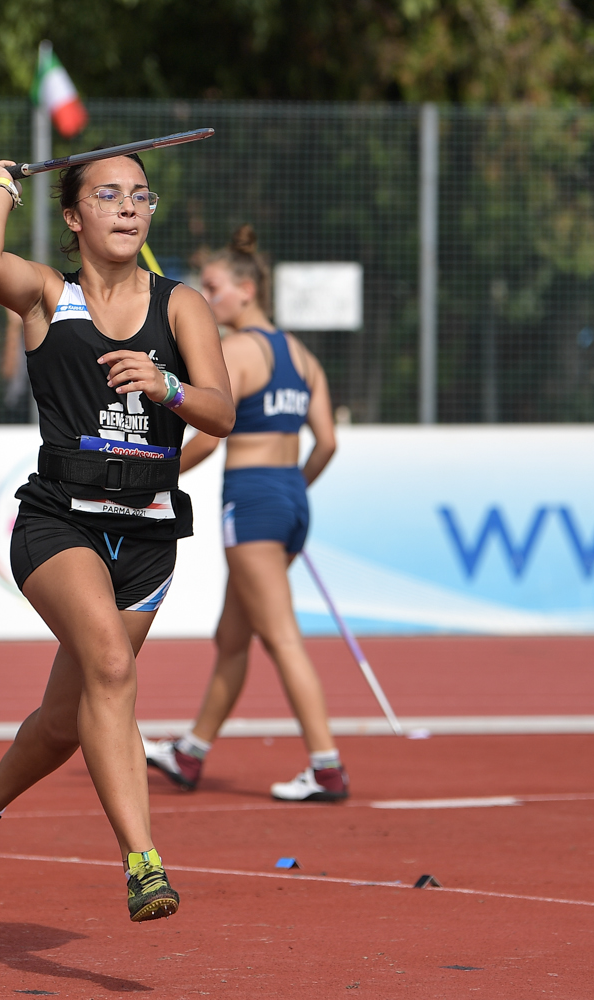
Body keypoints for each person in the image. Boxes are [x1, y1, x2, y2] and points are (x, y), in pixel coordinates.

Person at [0, 152, 233, 922]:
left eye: (140, 195)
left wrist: (168, 386)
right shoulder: (45, 295)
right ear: (72, 216)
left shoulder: (182, 305)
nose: (129, 208)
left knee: (66, 722)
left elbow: (221, 414)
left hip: (149, 538)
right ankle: (143, 863)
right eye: (108, 195)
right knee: (111, 667)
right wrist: (0, 188)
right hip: (60, 522)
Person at [145, 225, 347, 803]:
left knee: (280, 637)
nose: (205, 298)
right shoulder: (303, 357)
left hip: (253, 502)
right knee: (232, 636)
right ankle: (190, 753)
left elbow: (210, 436)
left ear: (247, 289)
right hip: (288, 499)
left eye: (212, 288)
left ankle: (327, 766)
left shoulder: (235, 350)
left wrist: (155, 476)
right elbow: (327, 442)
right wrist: (291, 491)